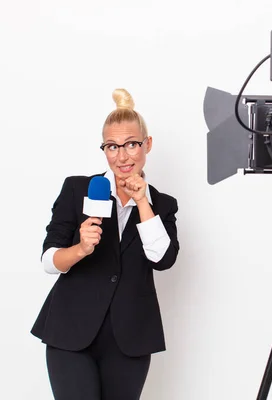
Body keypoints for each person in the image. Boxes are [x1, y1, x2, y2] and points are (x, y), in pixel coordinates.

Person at [31, 88, 180, 400]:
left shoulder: (161, 205)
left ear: (147, 144)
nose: (122, 156)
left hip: (130, 338)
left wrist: (142, 202)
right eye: (112, 146)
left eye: (131, 144)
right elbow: (49, 259)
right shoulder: (78, 190)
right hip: (70, 332)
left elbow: (163, 259)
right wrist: (81, 249)